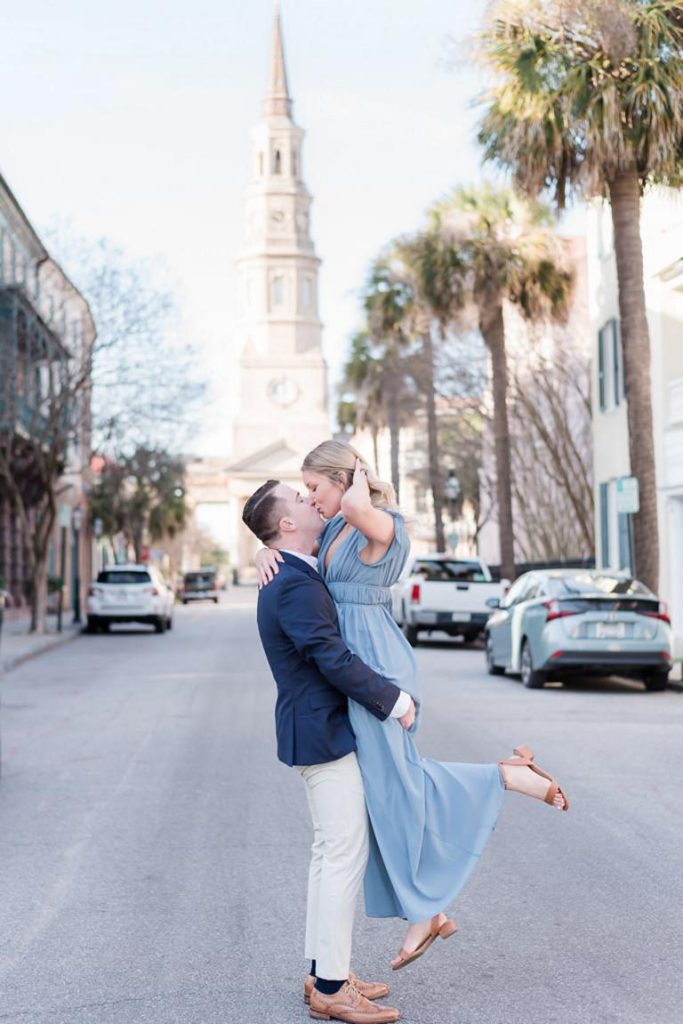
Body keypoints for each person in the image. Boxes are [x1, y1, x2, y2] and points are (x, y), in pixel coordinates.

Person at [256, 440, 569, 972]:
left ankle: (503, 783)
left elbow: (356, 508)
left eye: (315, 487)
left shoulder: (382, 523)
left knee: (396, 783)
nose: (310, 500)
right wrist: (265, 548)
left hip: (374, 663)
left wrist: (356, 480)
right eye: (304, 493)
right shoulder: (332, 526)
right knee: (391, 784)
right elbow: (297, 549)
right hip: (354, 667)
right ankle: (429, 906)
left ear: (344, 480)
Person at [242, 479, 416, 1024]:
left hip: (313, 730)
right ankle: (333, 989)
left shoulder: (294, 571)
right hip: (321, 733)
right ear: (287, 524)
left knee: (330, 855)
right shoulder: (293, 584)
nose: (310, 500)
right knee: (342, 855)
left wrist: (265, 549)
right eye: (300, 498)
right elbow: (330, 657)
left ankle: (324, 971)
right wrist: (395, 701)